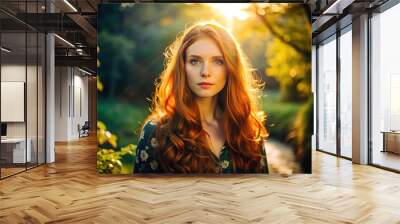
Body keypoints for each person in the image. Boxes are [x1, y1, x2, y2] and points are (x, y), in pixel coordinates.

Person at [134, 21, 268, 174]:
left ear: (231, 68)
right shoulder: (155, 132)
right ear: (182, 67)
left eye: (218, 61)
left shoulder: (247, 130)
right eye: (195, 61)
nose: (205, 72)